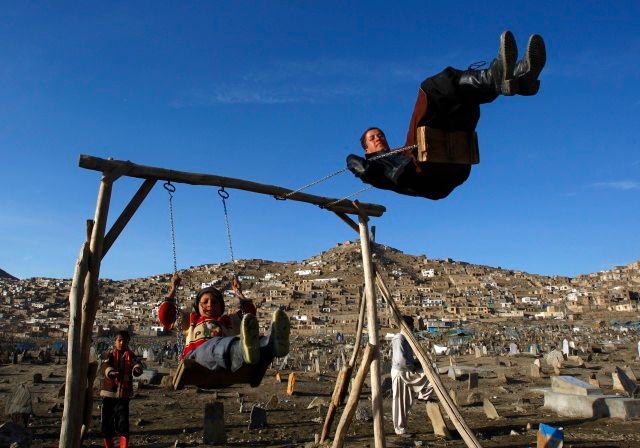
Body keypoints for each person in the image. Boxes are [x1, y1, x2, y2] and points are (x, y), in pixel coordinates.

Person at [347, 30, 546, 200]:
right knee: (431, 89)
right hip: (422, 174)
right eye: (372, 138)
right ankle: (498, 75)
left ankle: (519, 78)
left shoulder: (398, 152)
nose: (378, 137)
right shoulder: (374, 166)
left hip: (451, 170)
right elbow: (371, 175)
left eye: (380, 134)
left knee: (461, 103)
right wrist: (357, 166)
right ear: (366, 148)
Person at [157, 273, 290, 372]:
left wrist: (238, 293)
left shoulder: (227, 321)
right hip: (197, 360)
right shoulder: (191, 320)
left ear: (221, 307)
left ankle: (272, 343)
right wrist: (173, 289)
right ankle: (242, 349)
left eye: (214, 302)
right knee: (218, 346)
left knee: (256, 341)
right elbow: (166, 316)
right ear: (197, 306)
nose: (210, 305)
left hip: (225, 366)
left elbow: (249, 315)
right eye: (205, 302)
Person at [99, 330, 143, 448]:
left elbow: (136, 363)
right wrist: (110, 372)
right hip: (109, 394)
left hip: (123, 395)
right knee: (107, 423)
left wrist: (137, 368)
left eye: (125, 340)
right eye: (120, 340)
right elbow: (104, 366)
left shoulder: (130, 355)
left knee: (123, 423)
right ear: (115, 341)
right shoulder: (109, 354)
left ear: (128, 342)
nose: (122, 343)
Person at [391, 315, 434, 437]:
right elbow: (400, 360)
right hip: (401, 373)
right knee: (400, 401)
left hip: (407, 372)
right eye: (412, 325)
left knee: (431, 375)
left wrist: (417, 363)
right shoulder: (399, 338)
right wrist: (413, 366)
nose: (413, 327)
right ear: (407, 326)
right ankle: (399, 429)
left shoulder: (407, 338)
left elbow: (407, 359)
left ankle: (423, 396)